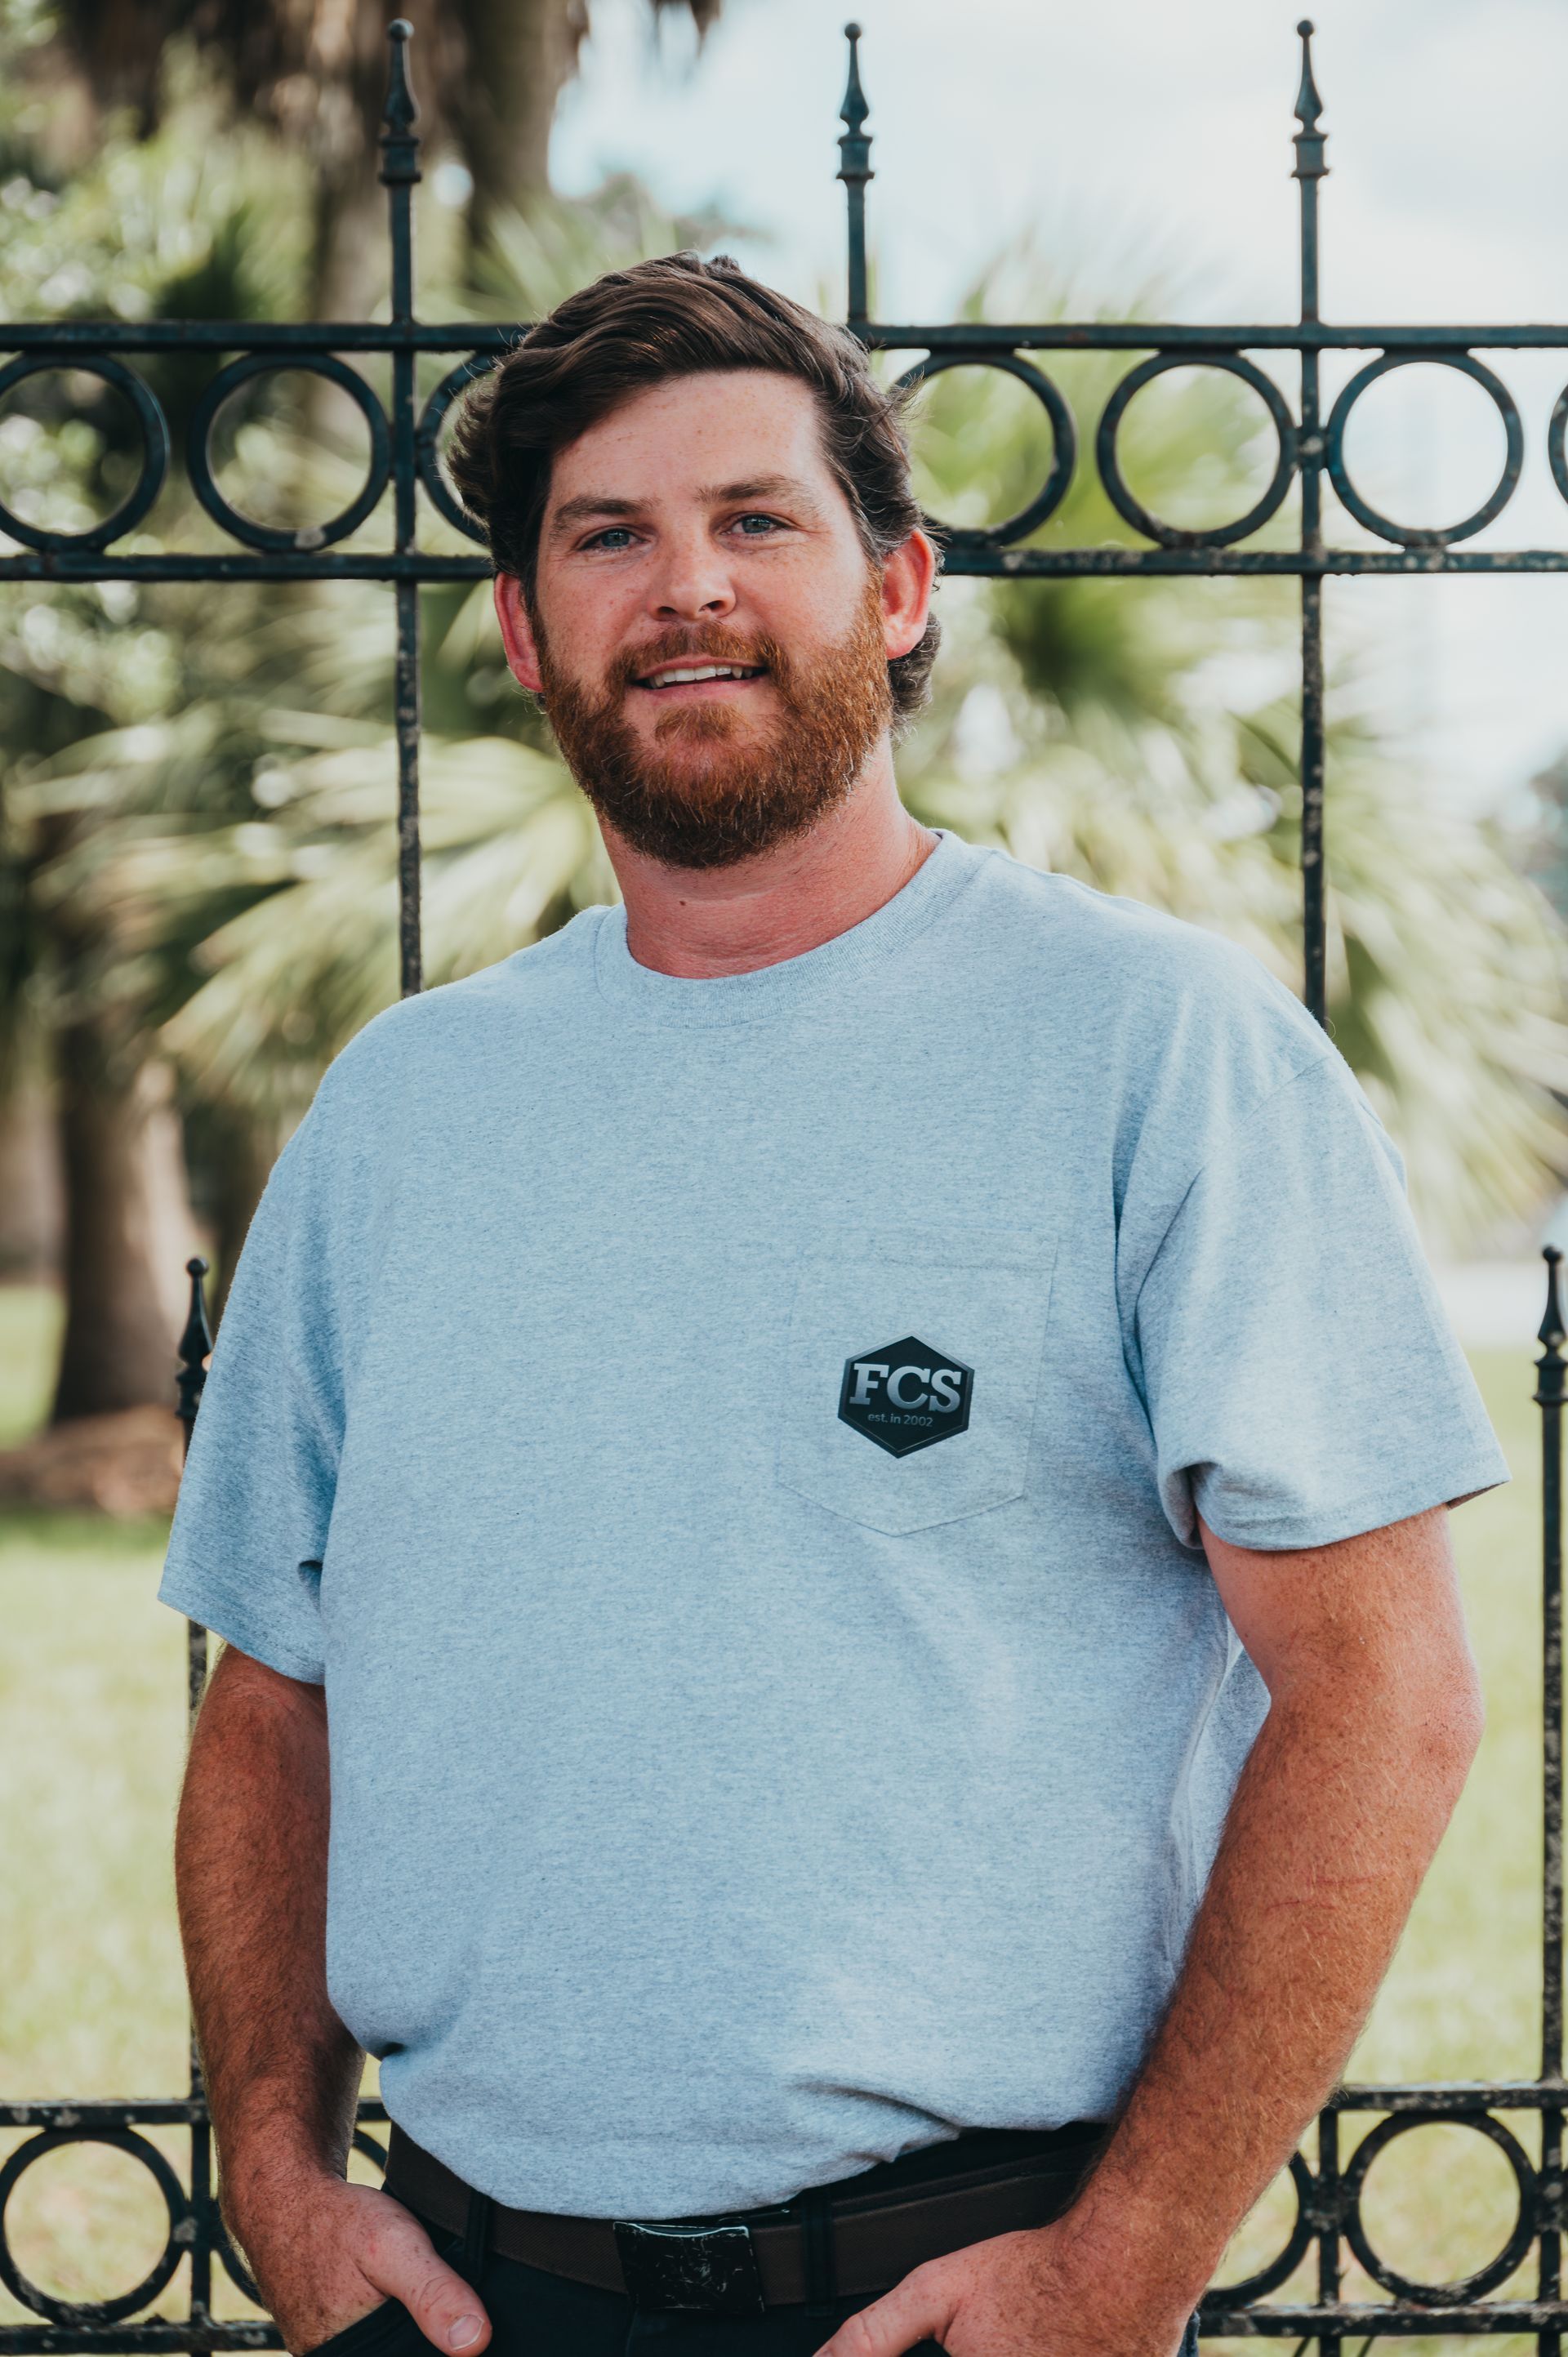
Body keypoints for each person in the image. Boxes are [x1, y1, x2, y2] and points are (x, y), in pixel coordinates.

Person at [158, 253, 1508, 2357]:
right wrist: (272, 2178)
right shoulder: (401, 1116)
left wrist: (1128, 2258)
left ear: (896, 589)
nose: (684, 585)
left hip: (962, 2290)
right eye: (609, 537)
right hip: (467, 2300)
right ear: (527, 633)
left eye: (756, 521)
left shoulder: (1155, 1051)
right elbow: (269, 1704)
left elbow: (1386, 1703)